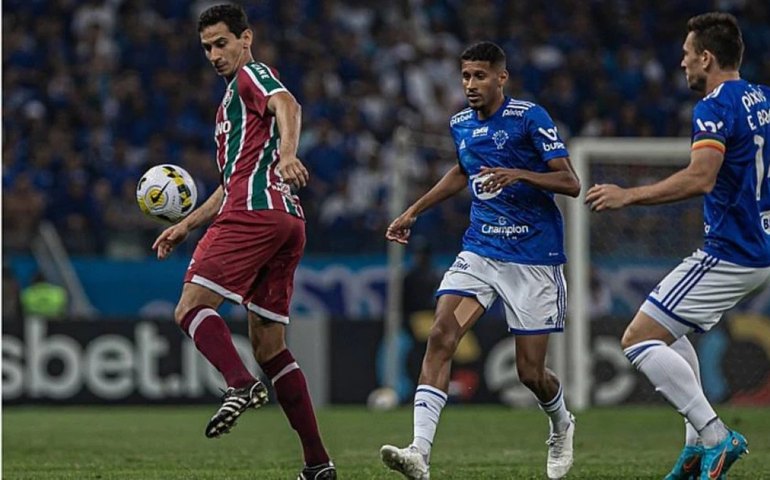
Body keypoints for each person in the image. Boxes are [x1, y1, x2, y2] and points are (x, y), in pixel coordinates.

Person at [380, 41, 581, 480]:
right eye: (466, 76)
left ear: (501, 78)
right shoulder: (460, 124)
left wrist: (520, 173)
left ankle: (561, 423)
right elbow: (461, 171)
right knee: (441, 334)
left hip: (533, 257)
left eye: (480, 76)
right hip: (481, 251)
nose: (471, 84)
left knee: (530, 372)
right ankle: (419, 452)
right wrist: (413, 210)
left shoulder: (529, 118)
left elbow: (571, 181)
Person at [151, 5, 335, 480]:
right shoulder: (230, 106)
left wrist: (290, 153)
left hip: (254, 214)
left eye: (221, 43)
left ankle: (237, 384)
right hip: (285, 221)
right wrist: (186, 224)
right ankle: (318, 464)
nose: (214, 54)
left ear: (245, 38)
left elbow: (288, 104)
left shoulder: (254, 74)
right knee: (271, 348)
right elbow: (234, 181)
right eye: (207, 48)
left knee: (190, 307)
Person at [585, 12, 769, 480]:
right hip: (759, 246)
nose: (682, 64)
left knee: (637, 338)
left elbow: (701, 177)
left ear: (706, 57)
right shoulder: (763, 99)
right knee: (671, 331)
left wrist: (630, 195)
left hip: (732, 251)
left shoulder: (713, 105)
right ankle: (693, 451)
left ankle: (715, 436)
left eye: (687, 55)